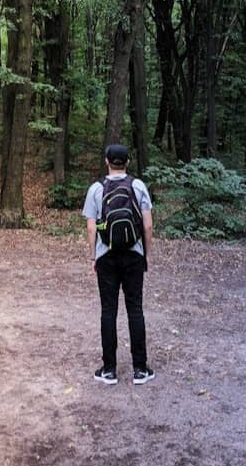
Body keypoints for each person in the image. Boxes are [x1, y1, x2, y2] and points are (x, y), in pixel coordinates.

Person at [82, 144, 155, 385]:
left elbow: (92, 226)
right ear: (128, 161)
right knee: (135, 309)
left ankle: (109, 370)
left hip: (107, 256)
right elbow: (147, 225)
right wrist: (146, 254)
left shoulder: (96, 189)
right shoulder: (138, 186)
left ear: (106, 161)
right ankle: (140, 369)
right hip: (134, 255)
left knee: (108, 311)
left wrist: (94, 256)